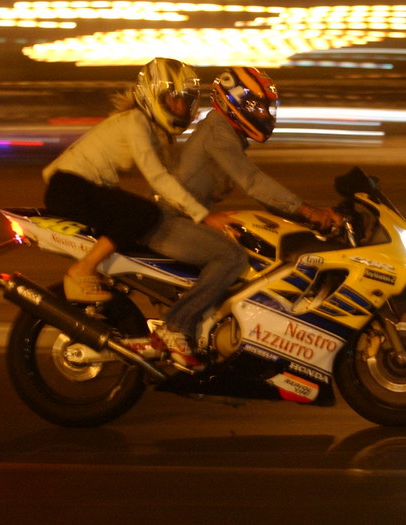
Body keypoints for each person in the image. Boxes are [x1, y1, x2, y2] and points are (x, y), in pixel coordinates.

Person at [147, 66, 341, 371]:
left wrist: (303, 217)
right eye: (260, 106)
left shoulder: (225, 132)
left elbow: (256, 190)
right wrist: (308, 211)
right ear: (236, 102)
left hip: (188, 216)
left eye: (267, 107)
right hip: (171, 219)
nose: (265, 113)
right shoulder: (218, 132)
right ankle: (176, 326)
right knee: (231, 258)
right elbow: (252, 182)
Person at [42, 57, 201, 303]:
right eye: (174, 99)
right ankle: (82, 269)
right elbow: (158, 178)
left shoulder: (154, 131)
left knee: (146, 217)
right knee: (144, 213)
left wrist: (187, 211)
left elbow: (166, 184)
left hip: (76, 188)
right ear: (153, 95)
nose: (180, 108)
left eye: (185, 101)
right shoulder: (135, 122)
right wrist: (202, 214)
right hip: (70, 189)